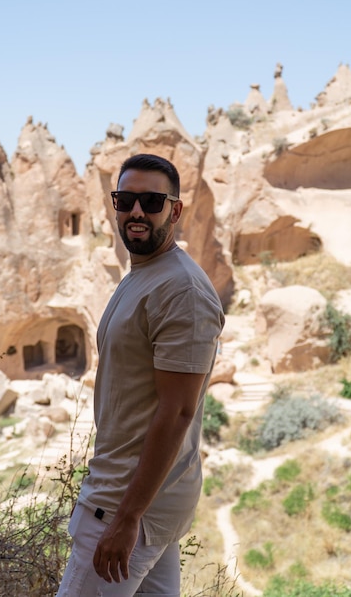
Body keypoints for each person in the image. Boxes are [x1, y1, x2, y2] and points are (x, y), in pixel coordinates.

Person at [57, 153, 225, 597]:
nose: (136, 211)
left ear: (175, 210)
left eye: (151, 201)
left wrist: (127, 517)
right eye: (125, 199)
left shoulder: (181, 291)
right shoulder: (145, 274)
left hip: (124, 506)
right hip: (147, 501)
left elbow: (178, 411)